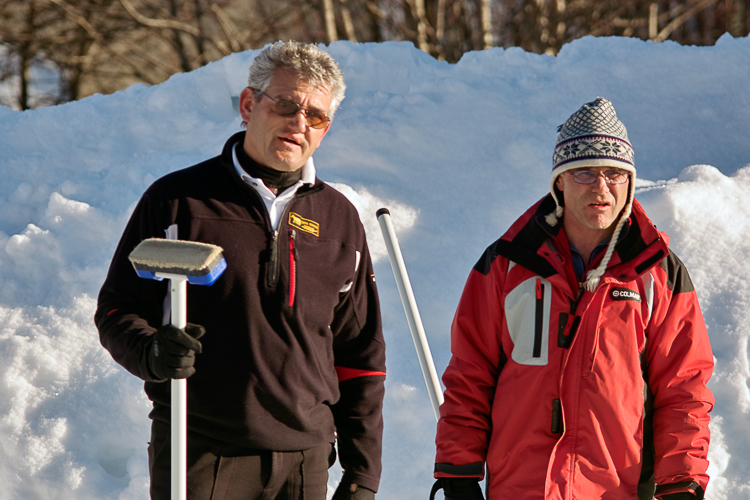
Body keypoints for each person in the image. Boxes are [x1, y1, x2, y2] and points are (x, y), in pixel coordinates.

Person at [96, 41, 385, 500]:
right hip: (200, 451)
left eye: (316, 115)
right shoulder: (178, 201)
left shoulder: (340, 219)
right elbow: (117, 309)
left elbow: (360, 356)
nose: (299, 123)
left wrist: (362, 474)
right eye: (287, 104)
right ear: (249, 105)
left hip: (306, 461)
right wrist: (151, 352)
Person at [431, 97, 714, 500]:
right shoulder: (507, 264)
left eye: (614, 173)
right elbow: (469, 374)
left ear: (630, 182)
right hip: (520, 488)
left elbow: (684, 389)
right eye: (584, 173)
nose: (601, 187)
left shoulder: (659, 273)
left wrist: (681, 483)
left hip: (617, 490)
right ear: (559, 182)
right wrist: (458, 472)